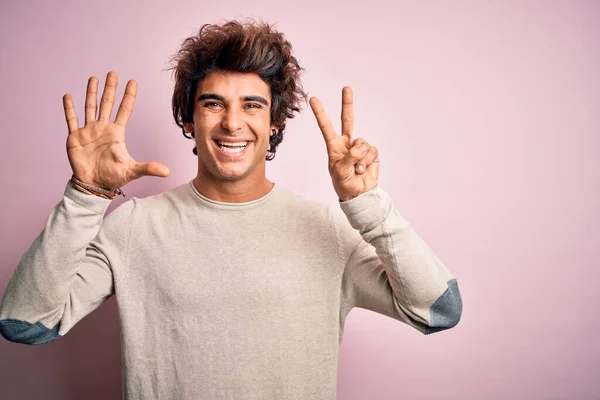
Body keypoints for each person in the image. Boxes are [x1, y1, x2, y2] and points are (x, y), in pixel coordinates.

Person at [0, 20, 462, 399]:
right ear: (188, 117)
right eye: (213, 103)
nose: (232, 122)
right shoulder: (135, 226)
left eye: (253, 105)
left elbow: (437, 309)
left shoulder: (327, 230)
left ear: (275, 121)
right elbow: (25, 322)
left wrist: (367, 205)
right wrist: (86, 195)